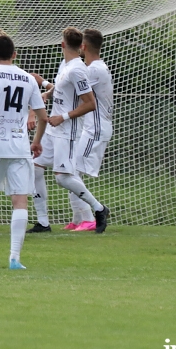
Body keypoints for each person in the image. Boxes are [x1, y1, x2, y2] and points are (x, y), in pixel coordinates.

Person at [0, 35, 47, 269]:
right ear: (14, 54)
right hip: (19, 145)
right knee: (20, 200)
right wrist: (36, 141)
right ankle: (15, 258)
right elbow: (42, 116)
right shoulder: (28, 78)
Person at [30, 27, 107, 234]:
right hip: (53, 129)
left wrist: (63, 117)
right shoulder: (66, 65)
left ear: (63, 44)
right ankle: (43, 222)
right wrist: (48, 93)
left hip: (67, 130)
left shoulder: (78, 69)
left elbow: (90, 103)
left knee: (62, 177)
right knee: (35, 167)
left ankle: (99, 209)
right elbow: (63, 89)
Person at [69, 29, 113, 233]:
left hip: (95, 129)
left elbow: (73, 92)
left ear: (83, 47)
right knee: (71, 170)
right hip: (93, 127)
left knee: (71, 171)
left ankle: (88, 217)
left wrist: (44, 88)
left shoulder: (94, 70)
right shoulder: (95, 67)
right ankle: (79, 218)